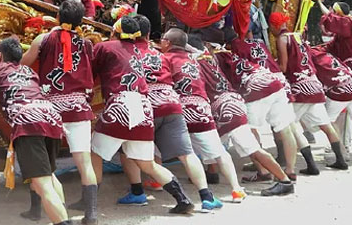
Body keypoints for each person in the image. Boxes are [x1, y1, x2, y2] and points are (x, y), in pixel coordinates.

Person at [0, 34, 74, 223]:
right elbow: (8, 57)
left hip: (29, 123)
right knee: (49, 177)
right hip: (51, 119)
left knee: (43, 184)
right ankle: (60, 215)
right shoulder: (28, 71)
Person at [91, 17, 195, 215]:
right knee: (147, 163)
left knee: (95, 154)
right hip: (143, 106)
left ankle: (90, 205)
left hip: (121, 102)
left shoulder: (106, 47)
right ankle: (182, 199)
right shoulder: (141, 51)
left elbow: (91, 73)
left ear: (115, 32)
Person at [119, 15, 220, 210]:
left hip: (146, 105)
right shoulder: (160, 54)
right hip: (172, 103)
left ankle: (137, 192)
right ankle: (207, 197)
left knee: (127, 150)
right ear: (148, 34)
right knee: (187, 154)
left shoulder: (127, 52)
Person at [21, 0, 98, 223]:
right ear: (81, 20)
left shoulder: (43, 39)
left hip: (49, 110)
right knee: (84, 162)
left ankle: (36, 210)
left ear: (57, 17)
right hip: (78, 108)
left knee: (43, 162)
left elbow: (24, 64)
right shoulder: (86, 43)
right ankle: (91, 214)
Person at [198, 39, 295, 196]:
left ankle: (284, 181)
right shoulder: (217, 58)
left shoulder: (201, 62)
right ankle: (212, 173)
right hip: (238, 98)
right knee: (215, 142)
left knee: (251, 147)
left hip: (228, 107)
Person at [162, 28, 245, 206]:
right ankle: (236, 189)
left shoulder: (165, 59)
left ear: (167, 43)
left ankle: (151, 183)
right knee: (220, 153)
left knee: (167, 150)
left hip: (179, 112)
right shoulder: (194, 59)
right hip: (201, 110)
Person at [270, 12, 344, 175]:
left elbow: (283, 66)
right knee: (326, 125)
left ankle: (310, 165)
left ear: (275, 25)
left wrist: (271, 65)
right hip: (314, 84)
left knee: (292, 126)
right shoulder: (298, 36)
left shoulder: (282, 39)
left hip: (299, 88)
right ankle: (341, 160)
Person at [308, 45, 352, 159]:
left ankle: (341, 151)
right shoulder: (322, 52)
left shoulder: (309, 57)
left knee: (328, 122)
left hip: (340, 87)